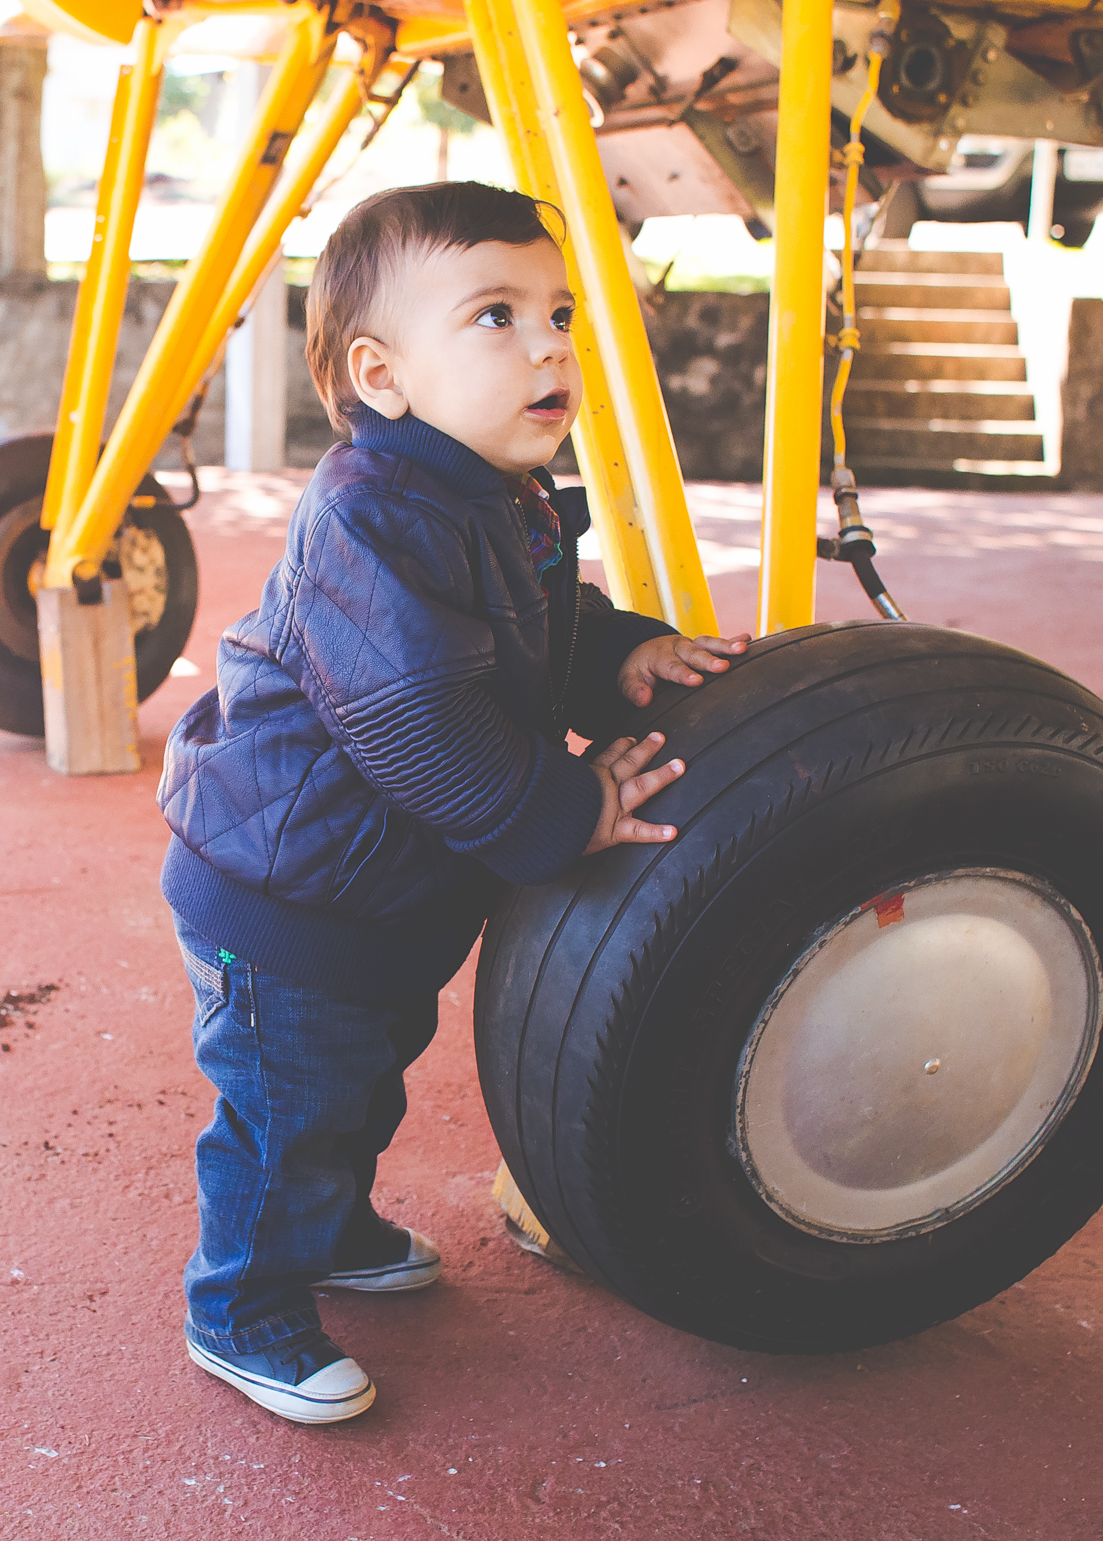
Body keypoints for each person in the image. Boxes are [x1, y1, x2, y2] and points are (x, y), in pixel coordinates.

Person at [157, 181, 748, 1425]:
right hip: (283, 894)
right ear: (382, 376)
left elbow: (529, 636)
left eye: (559, 313)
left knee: (362, 1080)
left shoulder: (492, 495)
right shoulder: (370, 513)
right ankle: (241, 1305)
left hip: (366, 891)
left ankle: (327, 1227)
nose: (548, 347)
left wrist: (621, 655)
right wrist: (568, 813)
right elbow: (417, 718)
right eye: (496, 316)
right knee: (289, 1107)